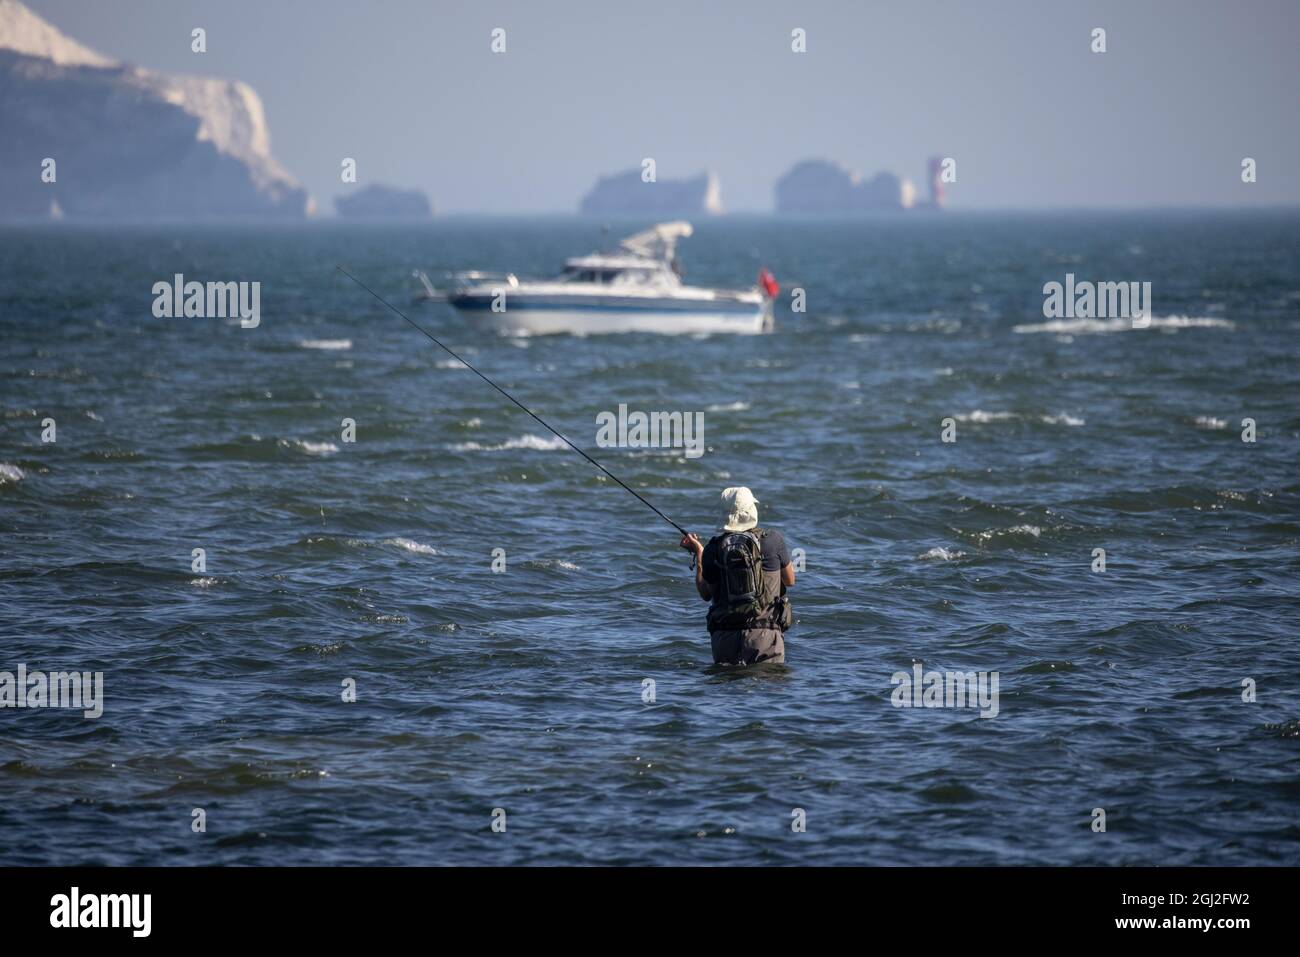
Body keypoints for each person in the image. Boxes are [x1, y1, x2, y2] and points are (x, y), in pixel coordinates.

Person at [680, 487, 795, 665]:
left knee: (726, 690)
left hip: (724, 639)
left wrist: (699, 552)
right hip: (765, 639)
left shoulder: (713, 549)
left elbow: (705, 593)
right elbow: (790, 580)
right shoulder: (773, 540)